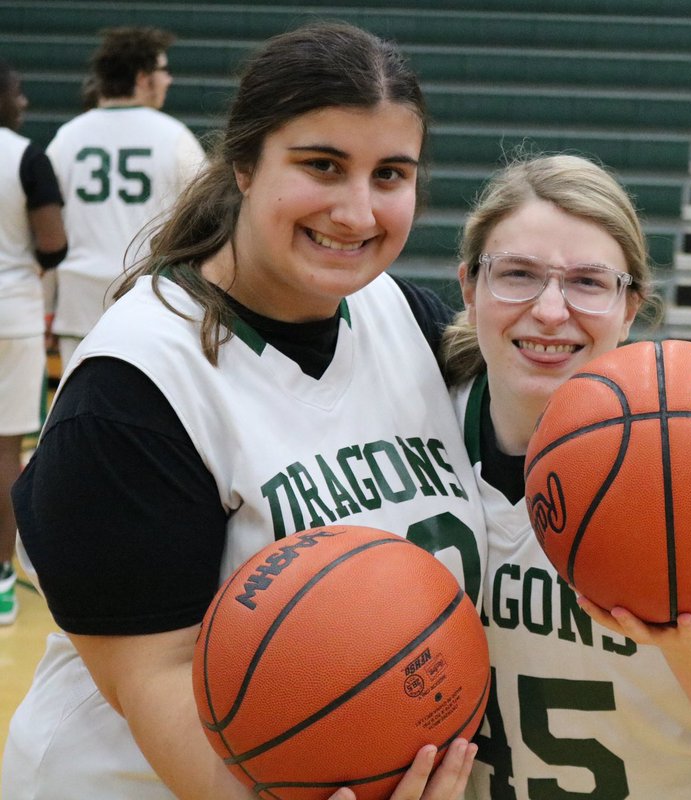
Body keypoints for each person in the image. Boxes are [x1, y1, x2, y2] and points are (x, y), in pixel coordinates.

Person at [4, 22, 486, 800]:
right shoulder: (132, 389)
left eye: (391, 174)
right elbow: (157, 677)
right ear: (244, 164)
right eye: (322, 165)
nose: (358, 211)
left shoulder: (412, 319)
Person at [441, 153, 691, 799]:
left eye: (588, 283)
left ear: (631, 308)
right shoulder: (416, 433)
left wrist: (685, 642)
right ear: (469, 287)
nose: (550, 311)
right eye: (517, 274)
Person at [45, 25, 205, 367]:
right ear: (144, 78)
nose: (169, 80)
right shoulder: (174, 136)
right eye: (164, 70)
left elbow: (45, 226)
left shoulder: (65, 138)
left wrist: (45, 303)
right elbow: (206, 216)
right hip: (149, 294)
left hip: (80, 296)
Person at [0, 60, 67, 626]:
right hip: (11, 314)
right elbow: (53, 243)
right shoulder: (25, 156)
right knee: (6, 452)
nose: (22, 101)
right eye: (17, 91)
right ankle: (2, 576)